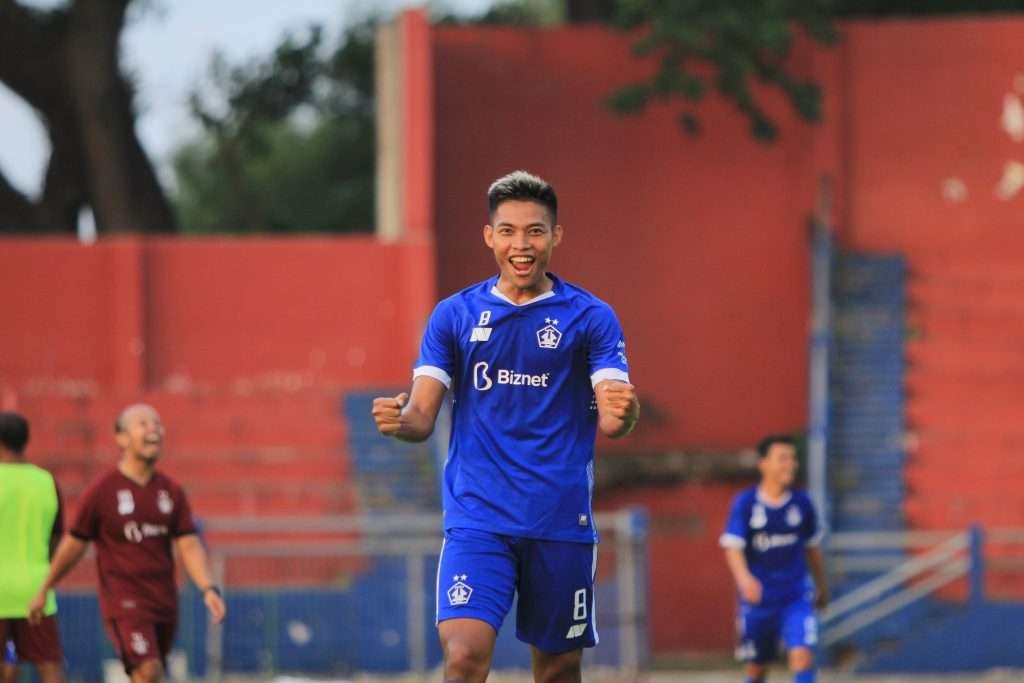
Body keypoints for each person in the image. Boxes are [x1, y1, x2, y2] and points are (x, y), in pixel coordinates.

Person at [372, 170, 640, 683]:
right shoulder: (454, 315)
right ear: (489, 236)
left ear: (555, 236)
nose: (522, 245)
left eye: (535, 231)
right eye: (510, 231)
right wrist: (398, 420)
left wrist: (625, 414)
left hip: (559, 521)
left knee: (558, 669)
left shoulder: (592, 318)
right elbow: (422, 415)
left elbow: (613, 416)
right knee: (464, 656)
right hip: (479, 520)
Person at [29, 404, 226, 683]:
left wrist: (208, 588)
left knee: (146, 675)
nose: (153, 430)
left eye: (157, 424)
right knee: (149, 670)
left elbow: (188, 543)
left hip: (164, 600)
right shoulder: (102, 491)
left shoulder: (171, 491)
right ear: (121, 438)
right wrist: (45, 587)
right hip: (124, 601)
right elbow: (74, 544)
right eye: (143, 424)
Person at [720, 435, 830, 683]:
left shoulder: (802, 503)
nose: (790, 464)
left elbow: (812, 547)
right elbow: (732, 547)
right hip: (760, 598)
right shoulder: (746, 503)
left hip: (796, 595)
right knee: (757, 668)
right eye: (782, 458)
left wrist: (822, 586)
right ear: (764, 464)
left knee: (802, 656)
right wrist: (744, 579)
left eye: (792, 459)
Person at [0, 411, 65, 683]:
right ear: (27, 440)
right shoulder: (46, 481)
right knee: (49, 665)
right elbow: (57, 535)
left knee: (6, 667)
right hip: (37, 590)